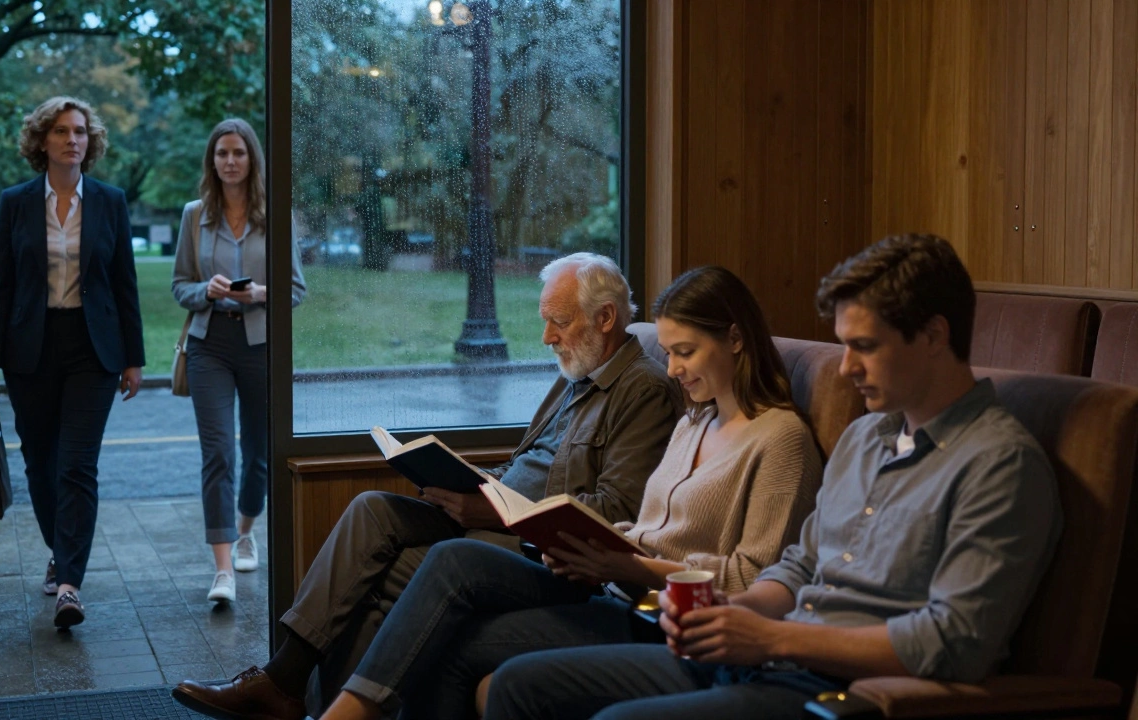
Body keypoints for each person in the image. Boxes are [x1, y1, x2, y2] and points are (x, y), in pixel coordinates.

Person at [483, 233, 1063, 720]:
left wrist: (774, 637)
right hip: (766, 656)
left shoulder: (998, 464)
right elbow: (799, 565)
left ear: (935, 335)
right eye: (843, 346)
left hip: (837, 690)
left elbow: (954, 642)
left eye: (865, 346)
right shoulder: (866, 438)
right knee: (519, 686)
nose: (846, 368)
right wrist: (737, 615)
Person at [172, 252, 684, 720]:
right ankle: (285, 681)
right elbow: (528, 463)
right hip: (494, 514)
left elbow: (612, 510)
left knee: (383, 579)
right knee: (372, 508)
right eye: (545, 320)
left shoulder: (644, 390)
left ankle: (298, 699)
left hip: (540, 554)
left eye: (559, 322)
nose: (547, 337)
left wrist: (491, 509)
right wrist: (474, 485)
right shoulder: (575, 374)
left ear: (607, 318)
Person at [309, 265, 824, 720]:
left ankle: (347, 713)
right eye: (667, 353)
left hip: (655, 613)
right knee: (449, 571)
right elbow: (643, 527)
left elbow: (754, 578)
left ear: (735, 339)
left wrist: (630, 566)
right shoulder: (696, 420)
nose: (671, 370)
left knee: (455, 611)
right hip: (614, 588)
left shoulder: (781, 441)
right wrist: (591, 545)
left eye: (685, 353)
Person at [0, 96, 145, 629]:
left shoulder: (110, 201)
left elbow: (125, 284)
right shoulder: (16, 202)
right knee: (41, 466)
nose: (73, 139)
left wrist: (133, 358)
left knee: (77, 465)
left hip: (92, 349)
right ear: (42, 141)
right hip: (31, 347)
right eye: (61, 131)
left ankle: (69, 582)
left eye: (80, 131)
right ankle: (62, 548)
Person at [172, 119, 303, 604]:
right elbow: (179, 285)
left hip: (260, 343)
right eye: (222, 153)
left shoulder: (276, 215)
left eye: (239, 153)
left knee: (259, 456)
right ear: (212, 161)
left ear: (252, 160)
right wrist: (204, 290)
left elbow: (296, 291)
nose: (230, 161)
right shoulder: (193, 216)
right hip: (209, 344)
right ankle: (222, 568)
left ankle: (247, 529)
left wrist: (263, 294)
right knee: (219, 455)